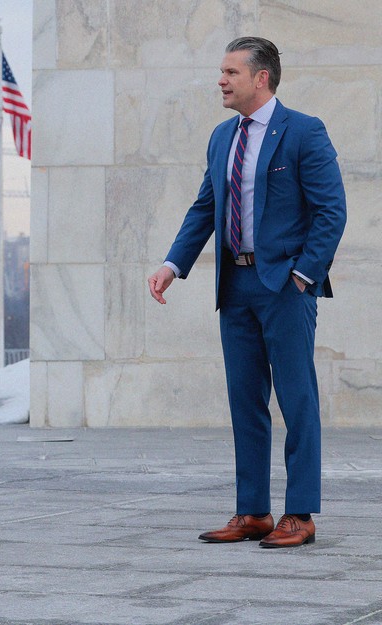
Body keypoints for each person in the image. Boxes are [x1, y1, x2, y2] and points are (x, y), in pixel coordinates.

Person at [147, 37, 347, 549]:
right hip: (234, 286)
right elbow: (205, 207)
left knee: (297, 399)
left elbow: (331, 211)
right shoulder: (222, 137)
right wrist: (172, 264)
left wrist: (304, 276)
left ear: (261, 78)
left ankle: (299, 513)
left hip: (285, 287)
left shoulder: (304, 131)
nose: (221, 80)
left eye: (231, 72)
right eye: (221, 71)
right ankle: (253, 510)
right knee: (244, 400)